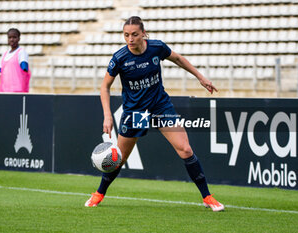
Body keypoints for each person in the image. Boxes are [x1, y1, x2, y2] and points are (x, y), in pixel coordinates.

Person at [85, 16, 224, 212]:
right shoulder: (119, 58)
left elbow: (177, 58)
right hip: (135, 113)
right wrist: (107, 115)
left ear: (143, 34)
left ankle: (207, 197)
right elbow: (105, 87)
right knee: (120, 158)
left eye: (134, 34)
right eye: (126, 35)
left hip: (160, 107)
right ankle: (99, 193)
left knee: (185, 149)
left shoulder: (156, 48)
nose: (130, 39)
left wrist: (200, 77)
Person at [0, 28, 31, 93]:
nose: (12, 39)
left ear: (19, 39)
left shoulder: (21, 53)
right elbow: (1, 72)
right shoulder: (4, 54)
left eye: (14, 37)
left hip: (18, 92)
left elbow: (25, 69)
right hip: (4, 91)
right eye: (9, 37)